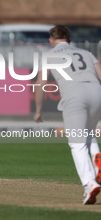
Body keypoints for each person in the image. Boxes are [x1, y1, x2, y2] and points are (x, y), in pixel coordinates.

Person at [33, 25, 101, 204]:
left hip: (74, 93)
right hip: (97, 91)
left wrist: (38, 110)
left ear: (51, 40)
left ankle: (90, 183)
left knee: (77, 143)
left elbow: (41, 83)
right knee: (88, 133)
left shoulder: (49, 55)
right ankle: (96, 159)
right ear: (69, 39)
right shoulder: (86, 53)